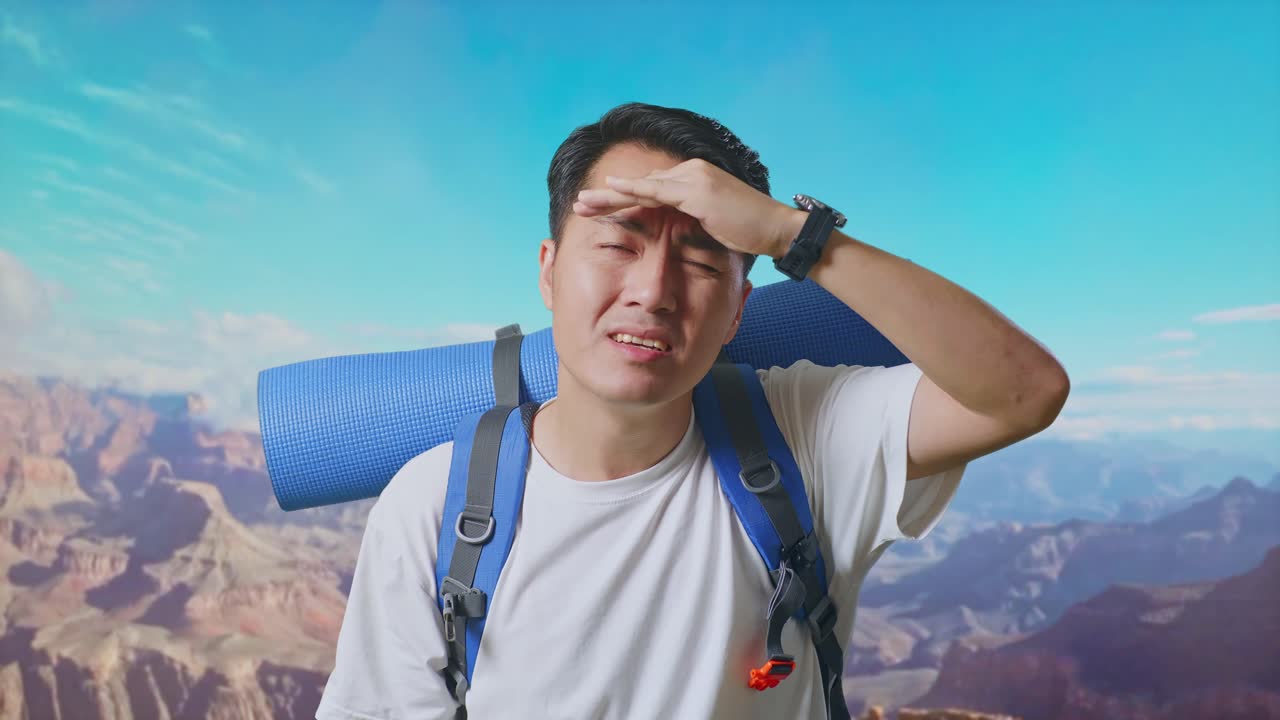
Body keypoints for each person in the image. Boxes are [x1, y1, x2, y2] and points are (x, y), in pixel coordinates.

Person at [315, 102, 1070, 720]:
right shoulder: (432, 506)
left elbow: (1024, 392)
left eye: (703, 261)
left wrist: (790, 234)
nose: (655, 290)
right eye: (619, 243)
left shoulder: (799, 440)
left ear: (740, 309)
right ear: (548, 273)